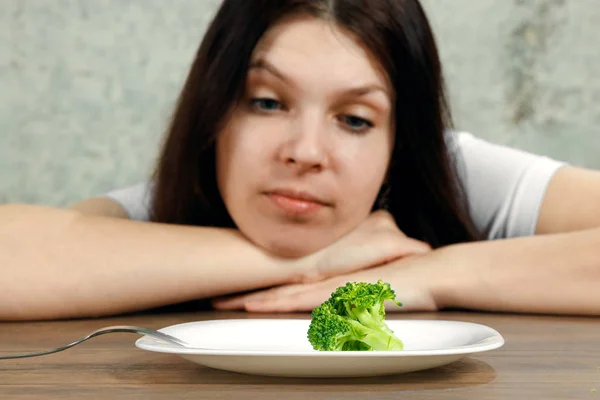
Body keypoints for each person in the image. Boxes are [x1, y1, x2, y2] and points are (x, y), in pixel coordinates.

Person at [1, 0, 599, 321]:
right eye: (266, 102)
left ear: (399, 142)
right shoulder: (174, 202)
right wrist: (313, 259)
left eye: (356, 120)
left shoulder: (455, 174)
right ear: (215, 115)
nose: (305, 153)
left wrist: (428, 275)